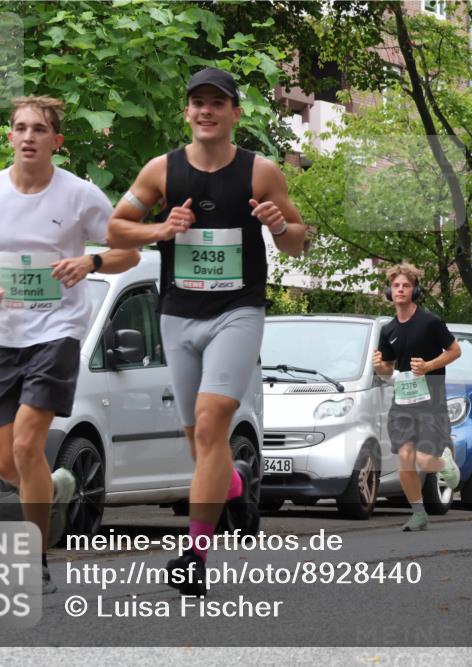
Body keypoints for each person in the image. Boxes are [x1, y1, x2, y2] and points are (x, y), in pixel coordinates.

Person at [107, 68, 307, 595]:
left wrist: (278, 225)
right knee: (199, 438)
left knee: (212, 417)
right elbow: (115, 227)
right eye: (197, 102)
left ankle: (194, 555)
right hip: (177, 311)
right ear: (186, 112)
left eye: (217, 103)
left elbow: (299, 243)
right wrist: (160, 229)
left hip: (237, 311)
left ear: (235, 113)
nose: (206, 111)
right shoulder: (162, 171)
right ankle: (234, 484)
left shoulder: (260, 173)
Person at [0, 96, 140, 594]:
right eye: (21, 128)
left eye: (40, 129)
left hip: (58, 332)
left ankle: (34, 561)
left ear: (56, 141)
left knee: (26, 444)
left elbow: (128, 251)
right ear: (10, 137)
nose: (29, 136)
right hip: (3, 337)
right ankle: (54, 488)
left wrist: (91, 264)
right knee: (8, 464)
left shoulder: (80, 195)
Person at [372, 263, 462, 532]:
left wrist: (428, 366)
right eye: (396, 286)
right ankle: (418, 512)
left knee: (424, 461)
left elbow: (455, 351)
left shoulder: (430, 321)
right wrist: (379, 367)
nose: (400, 290)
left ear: (415, 290)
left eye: (406, 286)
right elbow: (388, 369)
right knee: (406, 459)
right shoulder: (387, 330)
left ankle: (445, 460)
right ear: (390, 291)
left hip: (430, 400)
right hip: (402, 402)